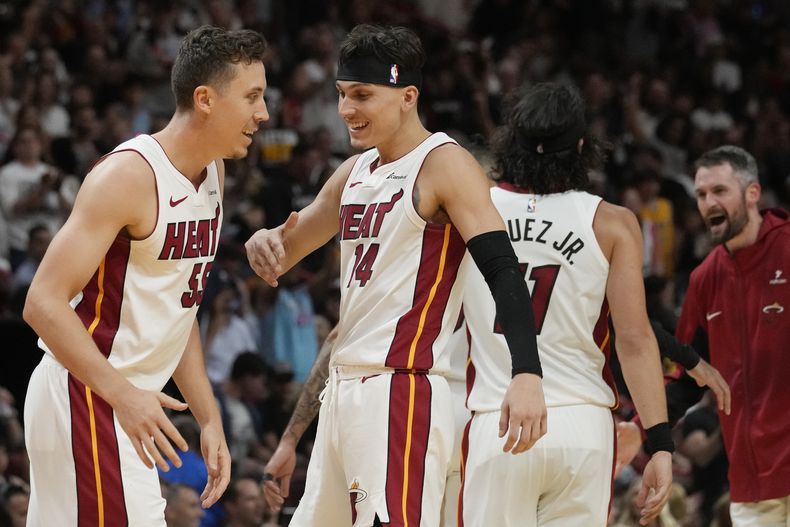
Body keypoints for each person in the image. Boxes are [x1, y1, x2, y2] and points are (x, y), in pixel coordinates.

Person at [246, 24, 545, 527]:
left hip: (401, 389)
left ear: (408, 96)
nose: (346, 110)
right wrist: (263, 242)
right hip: (343, 390)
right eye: (341, 95)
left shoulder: (445, 164)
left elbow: (502, 269)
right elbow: (284, 251)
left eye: (362, 95)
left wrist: (527, 372)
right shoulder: (354, 172)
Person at [22, 25, 269, 526]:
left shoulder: (214, 173)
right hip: (88, 394)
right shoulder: (129, 176)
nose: (263, 113)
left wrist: (209, 416)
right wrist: (123, 395)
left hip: (124, 401)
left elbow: (180, 307)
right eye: (252, 97)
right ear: (205, 99)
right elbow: (42, 303)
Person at [458, 82, 673, 526]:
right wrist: (660, 444)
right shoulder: (613, 223)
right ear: (581, 146)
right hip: (583, 427)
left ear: (511, 141)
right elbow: (633, 340)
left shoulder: (469, 209)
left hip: (501, 418)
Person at [676, 145, 790, 526]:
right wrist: (649, 432)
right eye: (701, 195)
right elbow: (685, 377)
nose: (709, 203)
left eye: (720, 191)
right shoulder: (704, 279)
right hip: (751, 482)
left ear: (752, 193)